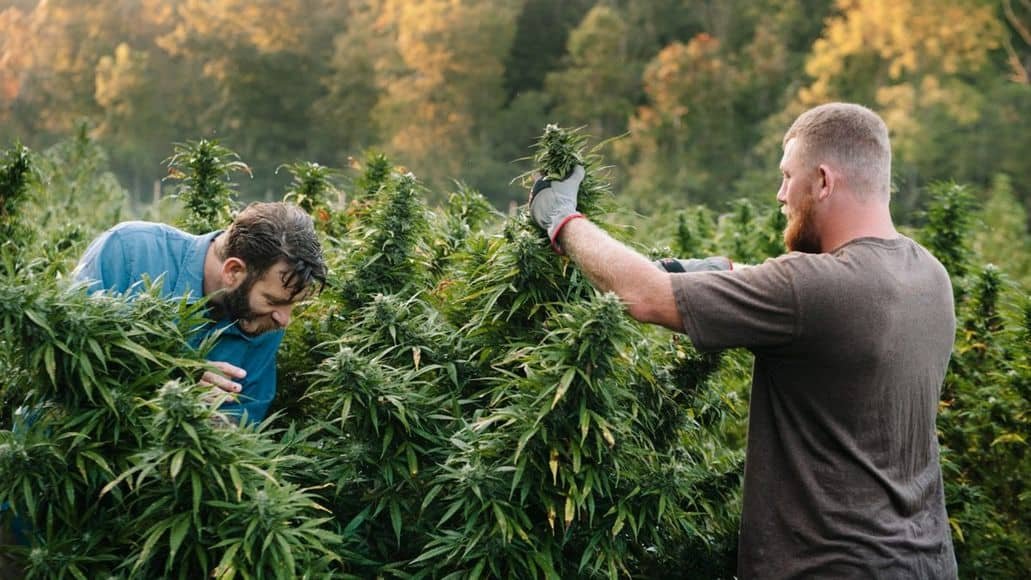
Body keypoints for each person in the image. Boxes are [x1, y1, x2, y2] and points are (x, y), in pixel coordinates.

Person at [528, 103, 957, 578]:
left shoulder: (812, 288)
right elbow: (806, 297)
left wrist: (563, 220)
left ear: (822, 181)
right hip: (924, 560)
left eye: (786, 177)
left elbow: (644, 297)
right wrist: (715, 273)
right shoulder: (929, 276)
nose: (779, 195)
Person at [73, 201, 327, 423]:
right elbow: (67, 354)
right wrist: (171, 377)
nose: (284, 320)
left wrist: (207, 423)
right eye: (272, 301)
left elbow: (242, 425)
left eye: (291, 304)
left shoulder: (264, 323)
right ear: (233, 272)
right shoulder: (129, 251)